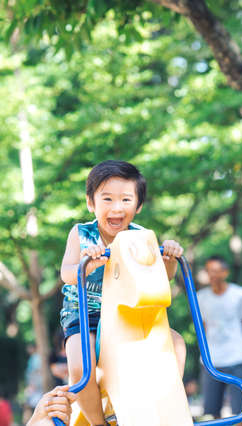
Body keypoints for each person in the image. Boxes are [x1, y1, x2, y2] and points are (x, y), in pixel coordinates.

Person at [60, 160, 186, 426]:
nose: (117, 207)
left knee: (175, 344)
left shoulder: (142, 239)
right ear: (91, 203)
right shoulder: (82, 234)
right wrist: (87, 263)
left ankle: (164, 408)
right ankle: (97, 422)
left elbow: (163, 279)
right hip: (87, 313)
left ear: (138, 206)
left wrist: (170, 258)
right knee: (81, 365)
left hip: (127, 315)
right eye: (107, 199)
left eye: (126, 200)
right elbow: (67, 274)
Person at [197, 255, 242, 425]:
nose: (212, 275)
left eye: (216, 270)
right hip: (211, 361)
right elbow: (203, 327)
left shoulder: (240, 294)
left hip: (236, 358)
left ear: (225, 272)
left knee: (241, 413)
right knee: (212, 414)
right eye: (209, 271)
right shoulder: (200, 296)